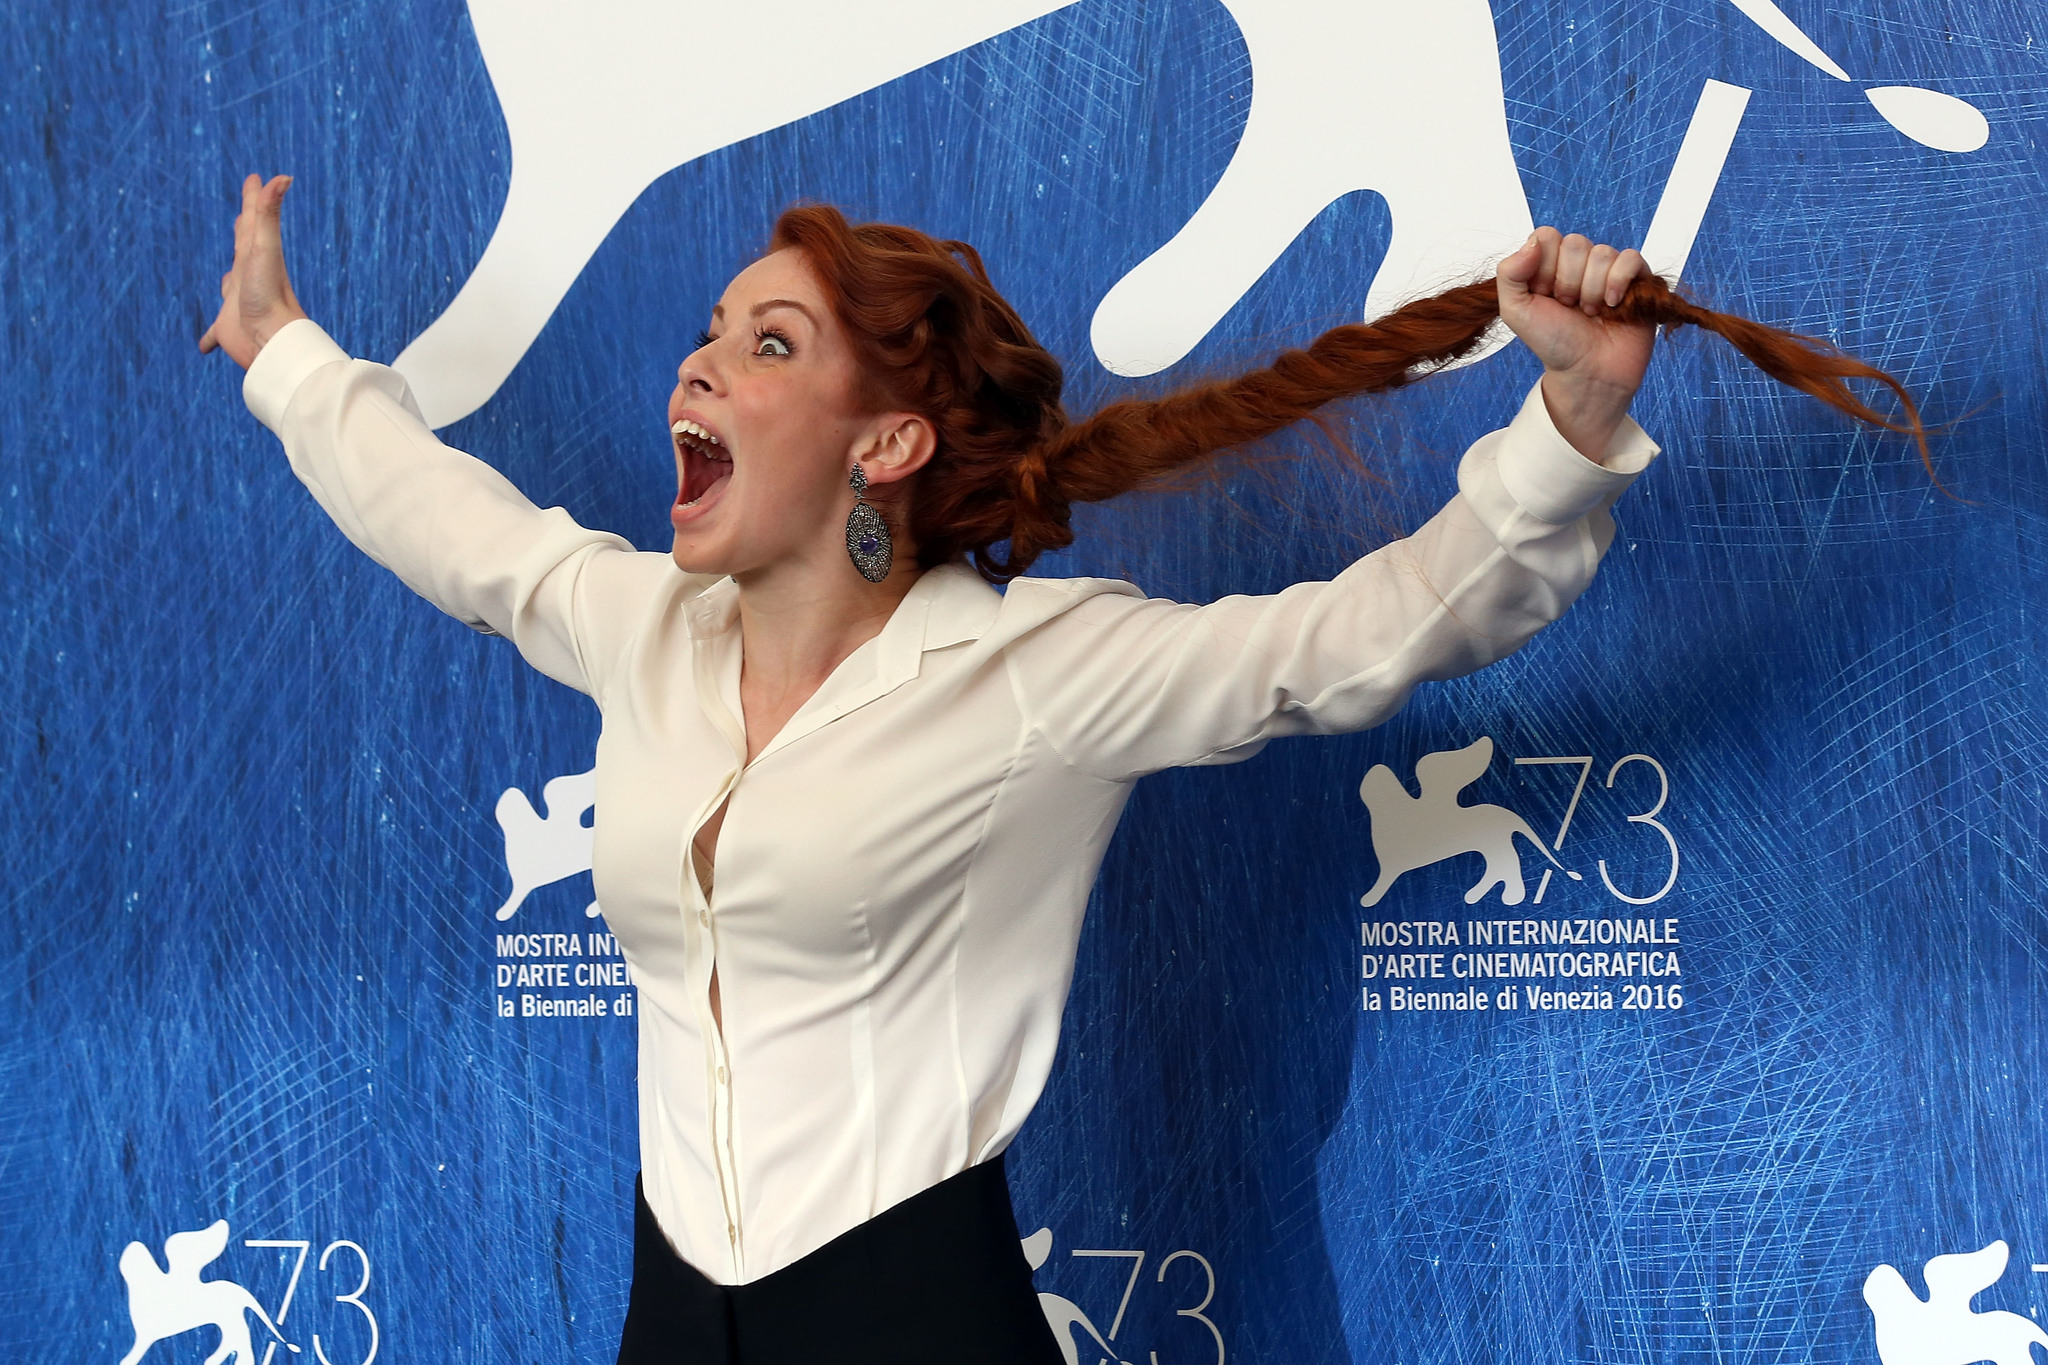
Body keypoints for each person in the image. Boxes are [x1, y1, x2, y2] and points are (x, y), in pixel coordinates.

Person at [199, 173, 1911, 1363]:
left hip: (911, 1325)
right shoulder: (641, 626)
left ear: (886, 442)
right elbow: (447, 520)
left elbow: (1364, 635)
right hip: (670, 1314)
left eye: (770, 344)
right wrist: (282, 349)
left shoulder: (1036, 672)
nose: (701, 362)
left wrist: (1573, 419)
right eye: (712, 331)